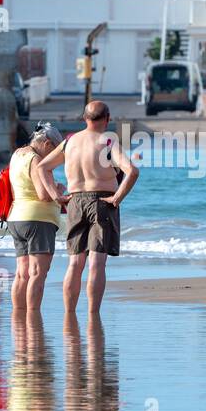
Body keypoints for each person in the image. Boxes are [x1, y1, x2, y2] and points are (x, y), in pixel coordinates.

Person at [39, 99, 138, 314]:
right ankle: (93, 314)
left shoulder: (69, 142)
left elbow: (43, 167)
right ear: (108, 119)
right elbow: (132, 171)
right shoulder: (108, 142)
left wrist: (56, 195)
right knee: (96, 263)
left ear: (84, 118)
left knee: (75, 263)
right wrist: (117, 198)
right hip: (102, 201)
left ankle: (69, 313)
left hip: (75, 201)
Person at [7, 122, 67, 313]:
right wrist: (58, 189)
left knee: (22, 274)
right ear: (47, 143)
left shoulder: (17, 155)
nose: (54, 156)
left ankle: (18, 316)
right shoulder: (36, 160)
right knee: (38, 273)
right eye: (55, 150)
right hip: (38, 219)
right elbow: (43, 194)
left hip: (16, 217)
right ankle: (33, 316)